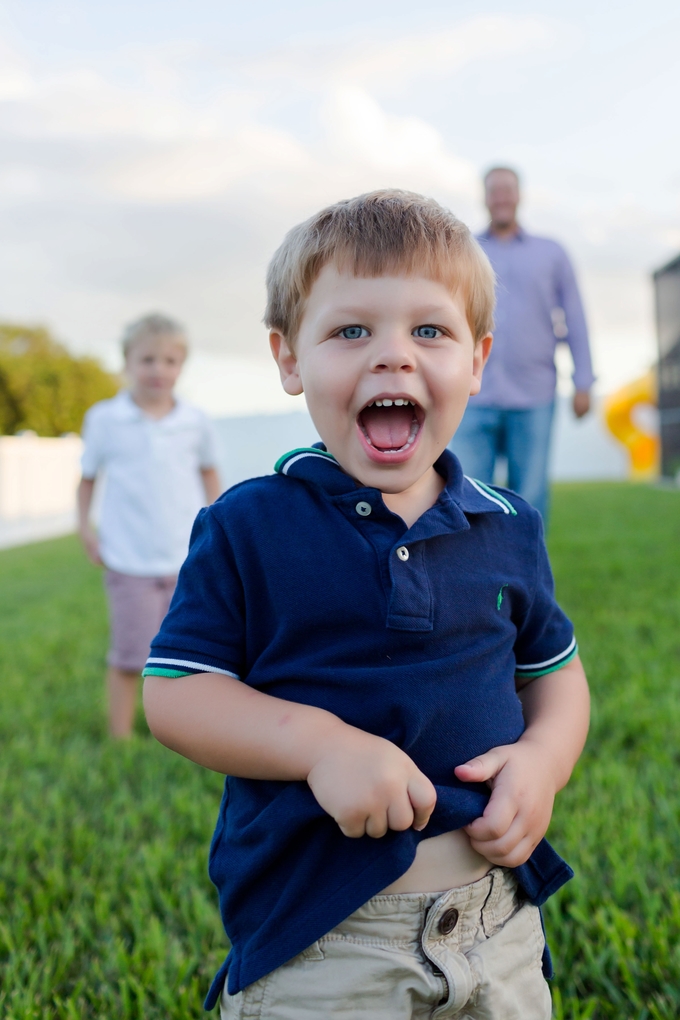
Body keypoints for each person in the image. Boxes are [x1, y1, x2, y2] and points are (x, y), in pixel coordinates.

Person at [143, 191, 590, 1019]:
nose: (393, 356)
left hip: (498, 921)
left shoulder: (508, 524)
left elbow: (555, 676)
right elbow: (175, 691)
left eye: (430, 331)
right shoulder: (250, 524)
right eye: (352, 331)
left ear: (478, 360)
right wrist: (318, 746)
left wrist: (544, 761)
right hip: (323, 931)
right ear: (289, 360)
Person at [77, 313, 221, 739]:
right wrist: (85, 528)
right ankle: (119, 737)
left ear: (181, 366)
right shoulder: (105, 419)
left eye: (170, 361)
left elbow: (209, 476)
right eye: (148, 360)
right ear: (127, 362)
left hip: (185, 559)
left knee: (191, 654)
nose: (159, 370)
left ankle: (191, 734)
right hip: (128, 559)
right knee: (130, 654)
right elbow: (87, 480)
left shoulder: (195, 421)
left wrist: (217, 528)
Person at [450, 166, 595, 522]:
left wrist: (584, 381)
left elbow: (574, 318)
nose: (501, 197)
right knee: (466, 494)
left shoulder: (552, 253)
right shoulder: (462, 250)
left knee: (529, 500)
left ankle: (526, 578)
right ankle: (471, 577)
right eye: (494, 190)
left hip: (534, 394)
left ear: (519, 196)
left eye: (507, 189)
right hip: (470, 393)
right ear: (485, 197)